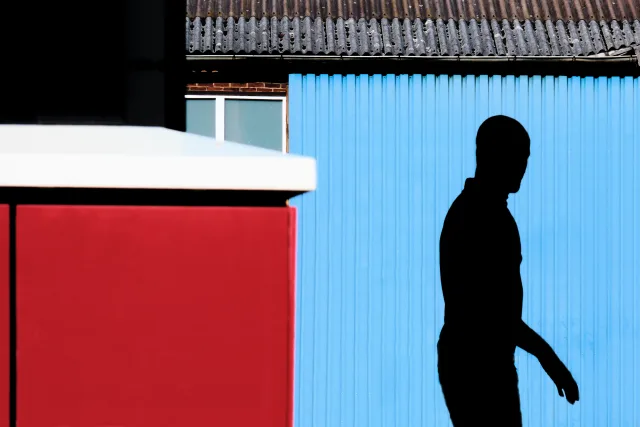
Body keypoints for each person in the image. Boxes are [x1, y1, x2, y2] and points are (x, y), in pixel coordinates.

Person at [437, 115, 579, 426]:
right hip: (477, 366)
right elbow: (492, 314)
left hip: (483, 362)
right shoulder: (481, 218)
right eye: (517, 157)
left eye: (525, 159)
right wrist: (549, 358)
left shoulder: (483, 214)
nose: (522, 168)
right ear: (491, 155)